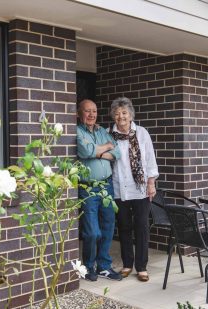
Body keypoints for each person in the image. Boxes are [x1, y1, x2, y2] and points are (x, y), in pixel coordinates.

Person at [109, 97, 159, 282]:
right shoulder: (109, 134)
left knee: (142, 227)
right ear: (113, 116)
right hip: (118, 188)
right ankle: (127, 264)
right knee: (124, 227)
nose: (120, 116)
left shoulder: (142, 133)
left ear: (130, 115)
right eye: (117, 113)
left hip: (140, 188)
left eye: (124, 113)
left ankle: (142, 267)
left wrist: (151, 183)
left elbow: (150, 160)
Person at [77, 99, 122, 281]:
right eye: (87, 111)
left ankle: (103, 266)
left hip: (106, 185)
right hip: (88, 188)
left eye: (94, 111)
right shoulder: (77, 131)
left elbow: (117, 151)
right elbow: (85, 151)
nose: (91, 115)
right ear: (79, 113)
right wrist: (104, 149)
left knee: (108, 226)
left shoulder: (102, 131)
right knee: (92, 232)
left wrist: (98, 152)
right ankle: (88, 267)